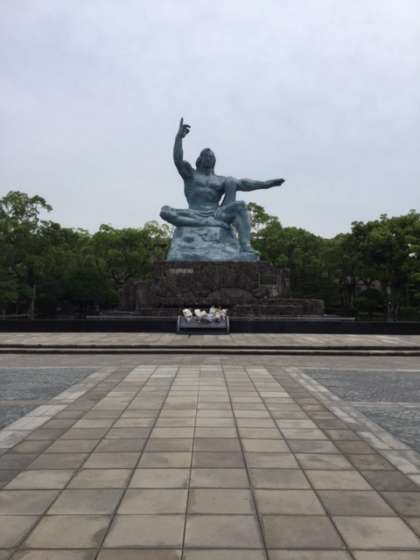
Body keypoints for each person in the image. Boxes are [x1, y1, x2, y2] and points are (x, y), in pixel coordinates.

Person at [160, 118, 285, 258]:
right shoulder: (191, 175)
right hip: (193, 212)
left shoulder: (221, 180)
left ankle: (245, 246)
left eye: (211, 157)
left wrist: (267, 184)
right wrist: (179, 138)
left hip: (217, 214)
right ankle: (202, 222)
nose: (208, 158)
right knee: (165, 211)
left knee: (238, 199)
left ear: (214, 160)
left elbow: (245, 184)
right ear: (199, 159)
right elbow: (178, 160)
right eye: (205, 156)